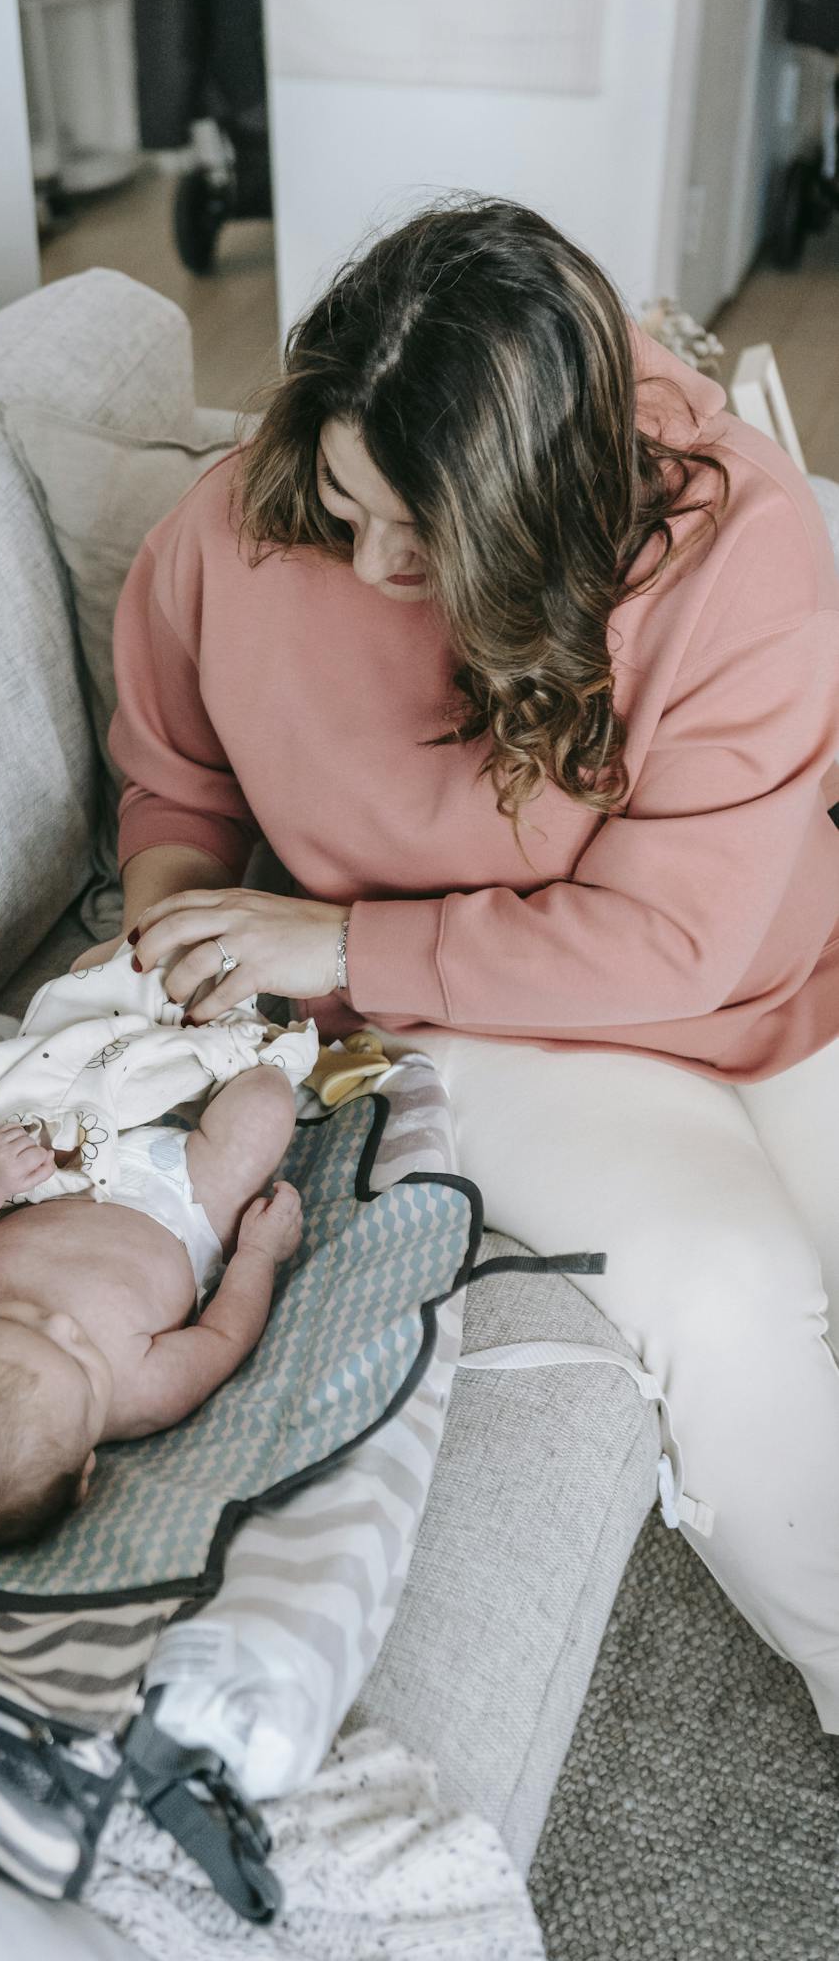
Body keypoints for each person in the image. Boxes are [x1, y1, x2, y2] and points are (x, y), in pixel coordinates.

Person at [77, 195, 839, 1728]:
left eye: (422, 539)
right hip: (484, 1025)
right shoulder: (241, 522)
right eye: (352, 502)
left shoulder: (742, 548)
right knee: (733, 1293)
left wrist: (337, 932)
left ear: (547, 517)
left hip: (759, 973)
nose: (364, 564)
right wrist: (178, 934)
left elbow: (676, 936)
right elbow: (176, 781)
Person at [0, 1062, 301, 1549]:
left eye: (18, 1319)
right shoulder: (144, 1397)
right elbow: (226, 1335)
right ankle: (230, 1062)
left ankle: (160, 1039)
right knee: (266, 1102)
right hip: (185, 1202)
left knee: (64, 1061)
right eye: (78, 1355)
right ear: (84, 1472)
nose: (60, 1321)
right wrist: (258, 1253)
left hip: (55, 1176)